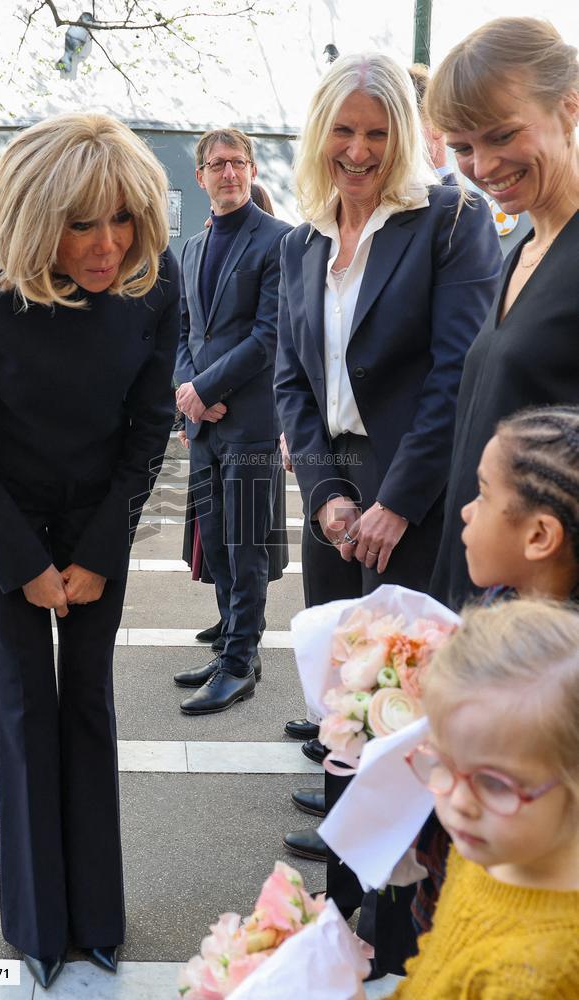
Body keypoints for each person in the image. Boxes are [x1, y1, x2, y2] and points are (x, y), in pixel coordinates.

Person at [0, 113, 179, 990]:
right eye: (81, 224)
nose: (107, 245)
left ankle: (98, 918)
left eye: (122, 219)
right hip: (7, 518)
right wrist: (22, 562)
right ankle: (37, 923)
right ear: (38, 220)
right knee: (27, 705)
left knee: (89, 705)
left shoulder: (154, 278)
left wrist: (104, 549)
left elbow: (151, 427)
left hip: (100, 516)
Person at [273, 51, 502, 956]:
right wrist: (328, 495)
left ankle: (409, 940)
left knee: (407, 717)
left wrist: (396, 502)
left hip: (418, 500)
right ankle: (343, 923)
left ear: (403, 135)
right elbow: (292, 375)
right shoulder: (302, 241)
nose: (359, 152)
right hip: (336, 501)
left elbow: (457, 375)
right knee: (341, 711)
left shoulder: (449, 220)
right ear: (319, 135)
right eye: (343, 131)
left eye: (376, 133)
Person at [428, 16, 579, 610]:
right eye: (463, 147)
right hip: (486, 595)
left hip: (547, 621)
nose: (483, 166)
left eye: (502, 135)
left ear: (569, 105)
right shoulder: (520, 251)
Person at [414, 402, 579, 934]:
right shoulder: (493, 606)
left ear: (539, 536)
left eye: (483, 493)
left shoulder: (558, 677)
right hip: (452, 894)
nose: (466, 510)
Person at [393, 599, 579, 997]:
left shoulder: (536, 977)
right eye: (442, 762)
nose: (459, 802)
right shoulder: (488, 849)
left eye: (495, 783)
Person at [173, 128, 291, 714]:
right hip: (204, 424)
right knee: (215, 543)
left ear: (249, 170)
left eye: (237, 163)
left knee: (246, 545)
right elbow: (183, 333)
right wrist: (187, 390)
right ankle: (230, 641)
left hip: (248, 421)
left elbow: (270, 336)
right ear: (200, 177)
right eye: (217, 164)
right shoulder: (190, 250)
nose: (228, 172)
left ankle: (241, 663)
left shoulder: (278, 241)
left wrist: (207, 388)